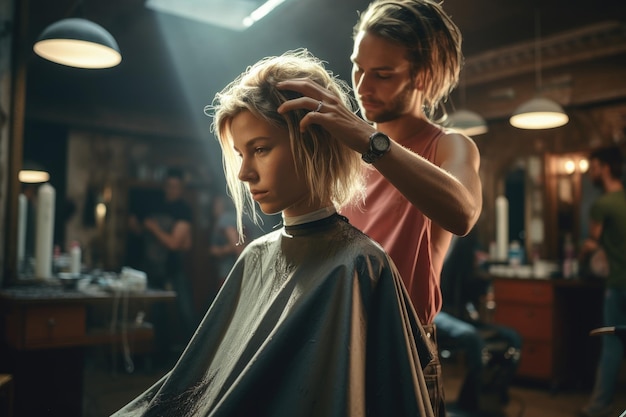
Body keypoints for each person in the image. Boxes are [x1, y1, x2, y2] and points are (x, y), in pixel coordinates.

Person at [112, 49, 436, 417]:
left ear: (312, 142)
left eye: (261, 149)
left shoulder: (360, 265)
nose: (243, 173)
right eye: (240, 154)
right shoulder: (254, 257)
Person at [276, 1, 482, 415]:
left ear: (422, 76)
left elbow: (463, 212)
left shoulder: (448, 145)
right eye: (358, 67)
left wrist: (367, 139)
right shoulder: (346, 148)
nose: (362, 86)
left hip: (402, 345)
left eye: (383, 74)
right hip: (334, 333)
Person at [434, 228, 521, 414]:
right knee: (474, 339)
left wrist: (480, 272)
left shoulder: (469, 245)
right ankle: (470, 403)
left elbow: (471, 290)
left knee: (513, 338)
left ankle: (493, 396)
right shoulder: (439, 243)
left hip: (461, 314)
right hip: (437, 312)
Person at [127, 167, 197, 364]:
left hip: (173, 270)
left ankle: (197, 357)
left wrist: (154, 228)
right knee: (157, 316)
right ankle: (160, 358)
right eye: (169, 186)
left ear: (182, 188)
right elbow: (141, 231)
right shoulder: (154, 203)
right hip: (151, 269)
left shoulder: (183, 209)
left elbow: (176, 244)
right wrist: (137, 226)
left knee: (186, 313)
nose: (171, 190)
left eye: (176, 186)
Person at [578, 145, 626, 417]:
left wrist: (581, 260)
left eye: (593, 167)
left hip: (618, 284)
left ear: (605, 168)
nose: (590, 174)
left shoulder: (603, 204)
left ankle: (598, 407)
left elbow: (590, 244)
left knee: (612, 346)